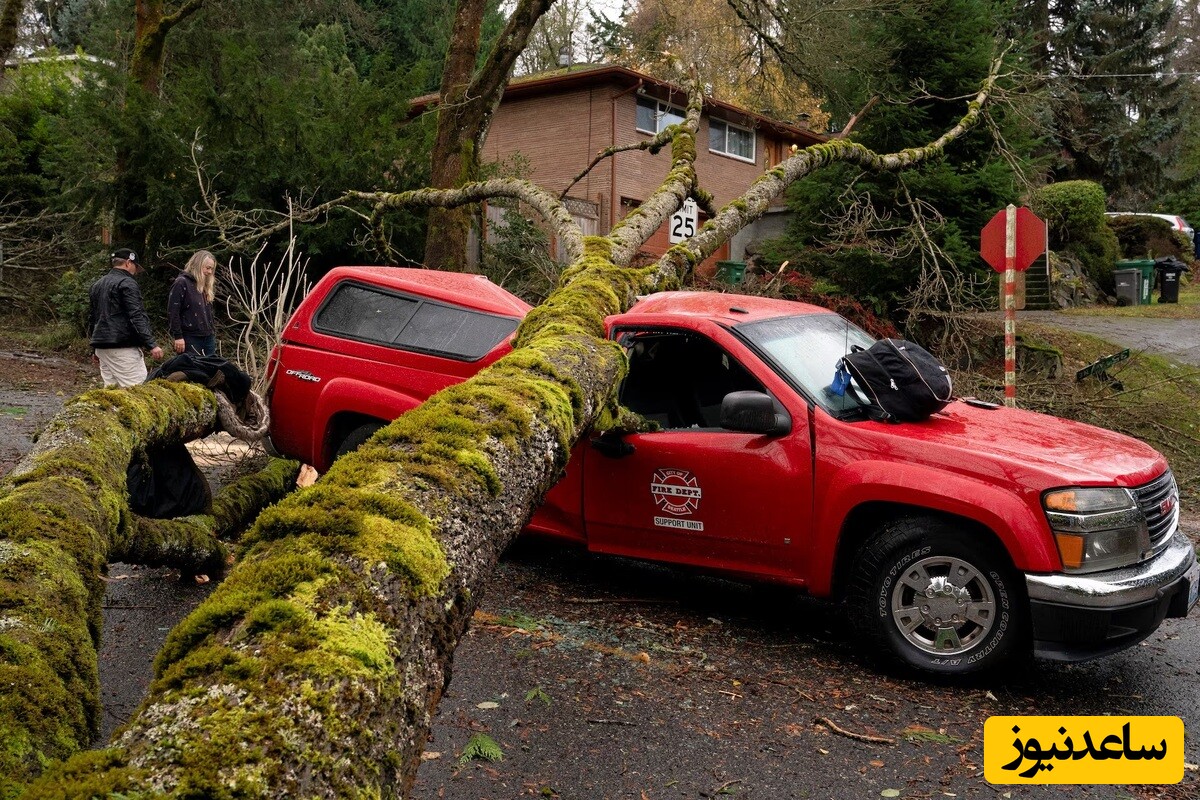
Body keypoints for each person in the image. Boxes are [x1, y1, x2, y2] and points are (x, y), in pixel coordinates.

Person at [88, 247, 163, 387]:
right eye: (135, 267)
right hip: (122, 346)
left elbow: (93, 318)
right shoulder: (127, 283)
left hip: (101, 346)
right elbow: (136, 316)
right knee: (137, 388)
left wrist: (94, 348)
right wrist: (151, 344)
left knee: (112, 390)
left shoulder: (96, 285)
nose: (135, 272)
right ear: (128, 263)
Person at [168, 249, 218, 356]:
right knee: (192, 371)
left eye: (212, 269)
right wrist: (178, 336)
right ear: (198, 265)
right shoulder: (181, 282)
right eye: (207, 268)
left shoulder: (205, 285)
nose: (210, 272)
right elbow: (173, 311)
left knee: (212, 369)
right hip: (189, 337)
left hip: (208, 336)